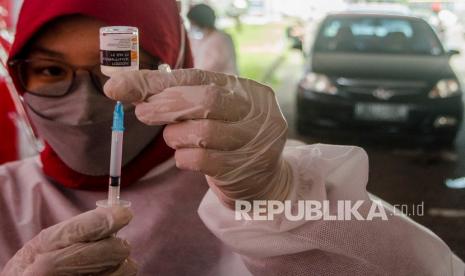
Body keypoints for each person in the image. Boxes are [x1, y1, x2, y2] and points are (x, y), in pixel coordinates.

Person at [0, 0, 463, 275]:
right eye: (51, 70)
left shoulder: (259, 175)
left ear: (175, 65)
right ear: (20, 78)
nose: (88, 101)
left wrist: (280, 204)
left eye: (124, 68)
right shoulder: (5, 198)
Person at [187, 4, 238, 75]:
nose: (191, 26)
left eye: (192, 23)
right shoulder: (204, 38)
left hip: (223, 83)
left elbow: (208, 66)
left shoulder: (220, 39)